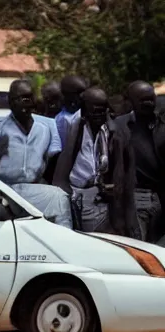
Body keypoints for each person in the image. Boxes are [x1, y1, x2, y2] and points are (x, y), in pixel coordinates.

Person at [0, 79, 71, 228]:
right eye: (20, 98)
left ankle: (65, 243)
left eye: (28, 97)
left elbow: (53, 161)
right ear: (11, 102)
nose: (25, 103)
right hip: (3, 189)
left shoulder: (46, 128)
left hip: (33, 188)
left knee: (59, 197)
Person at [53, 87, 139, 237]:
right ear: (85, 110)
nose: (98, 115)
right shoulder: (77, 128)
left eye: (102, 111)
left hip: (101, 198)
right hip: (79, 195)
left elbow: (122, 168)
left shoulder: (111, 132)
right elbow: (61, 176)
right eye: (94, 111)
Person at [114, 81, 165, 243]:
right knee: (139, 248)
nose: (148, 103)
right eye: (142, 100)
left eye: (151, 98)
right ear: (131, 102)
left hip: (162, 197)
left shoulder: (162, 124)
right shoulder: (120, 126)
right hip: (137, 197)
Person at [55, 75, 89, 148]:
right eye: (79, 93)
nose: (83, 96)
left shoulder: (85, 112)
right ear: (68, 95)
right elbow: (63, 146)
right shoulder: (63, 119)